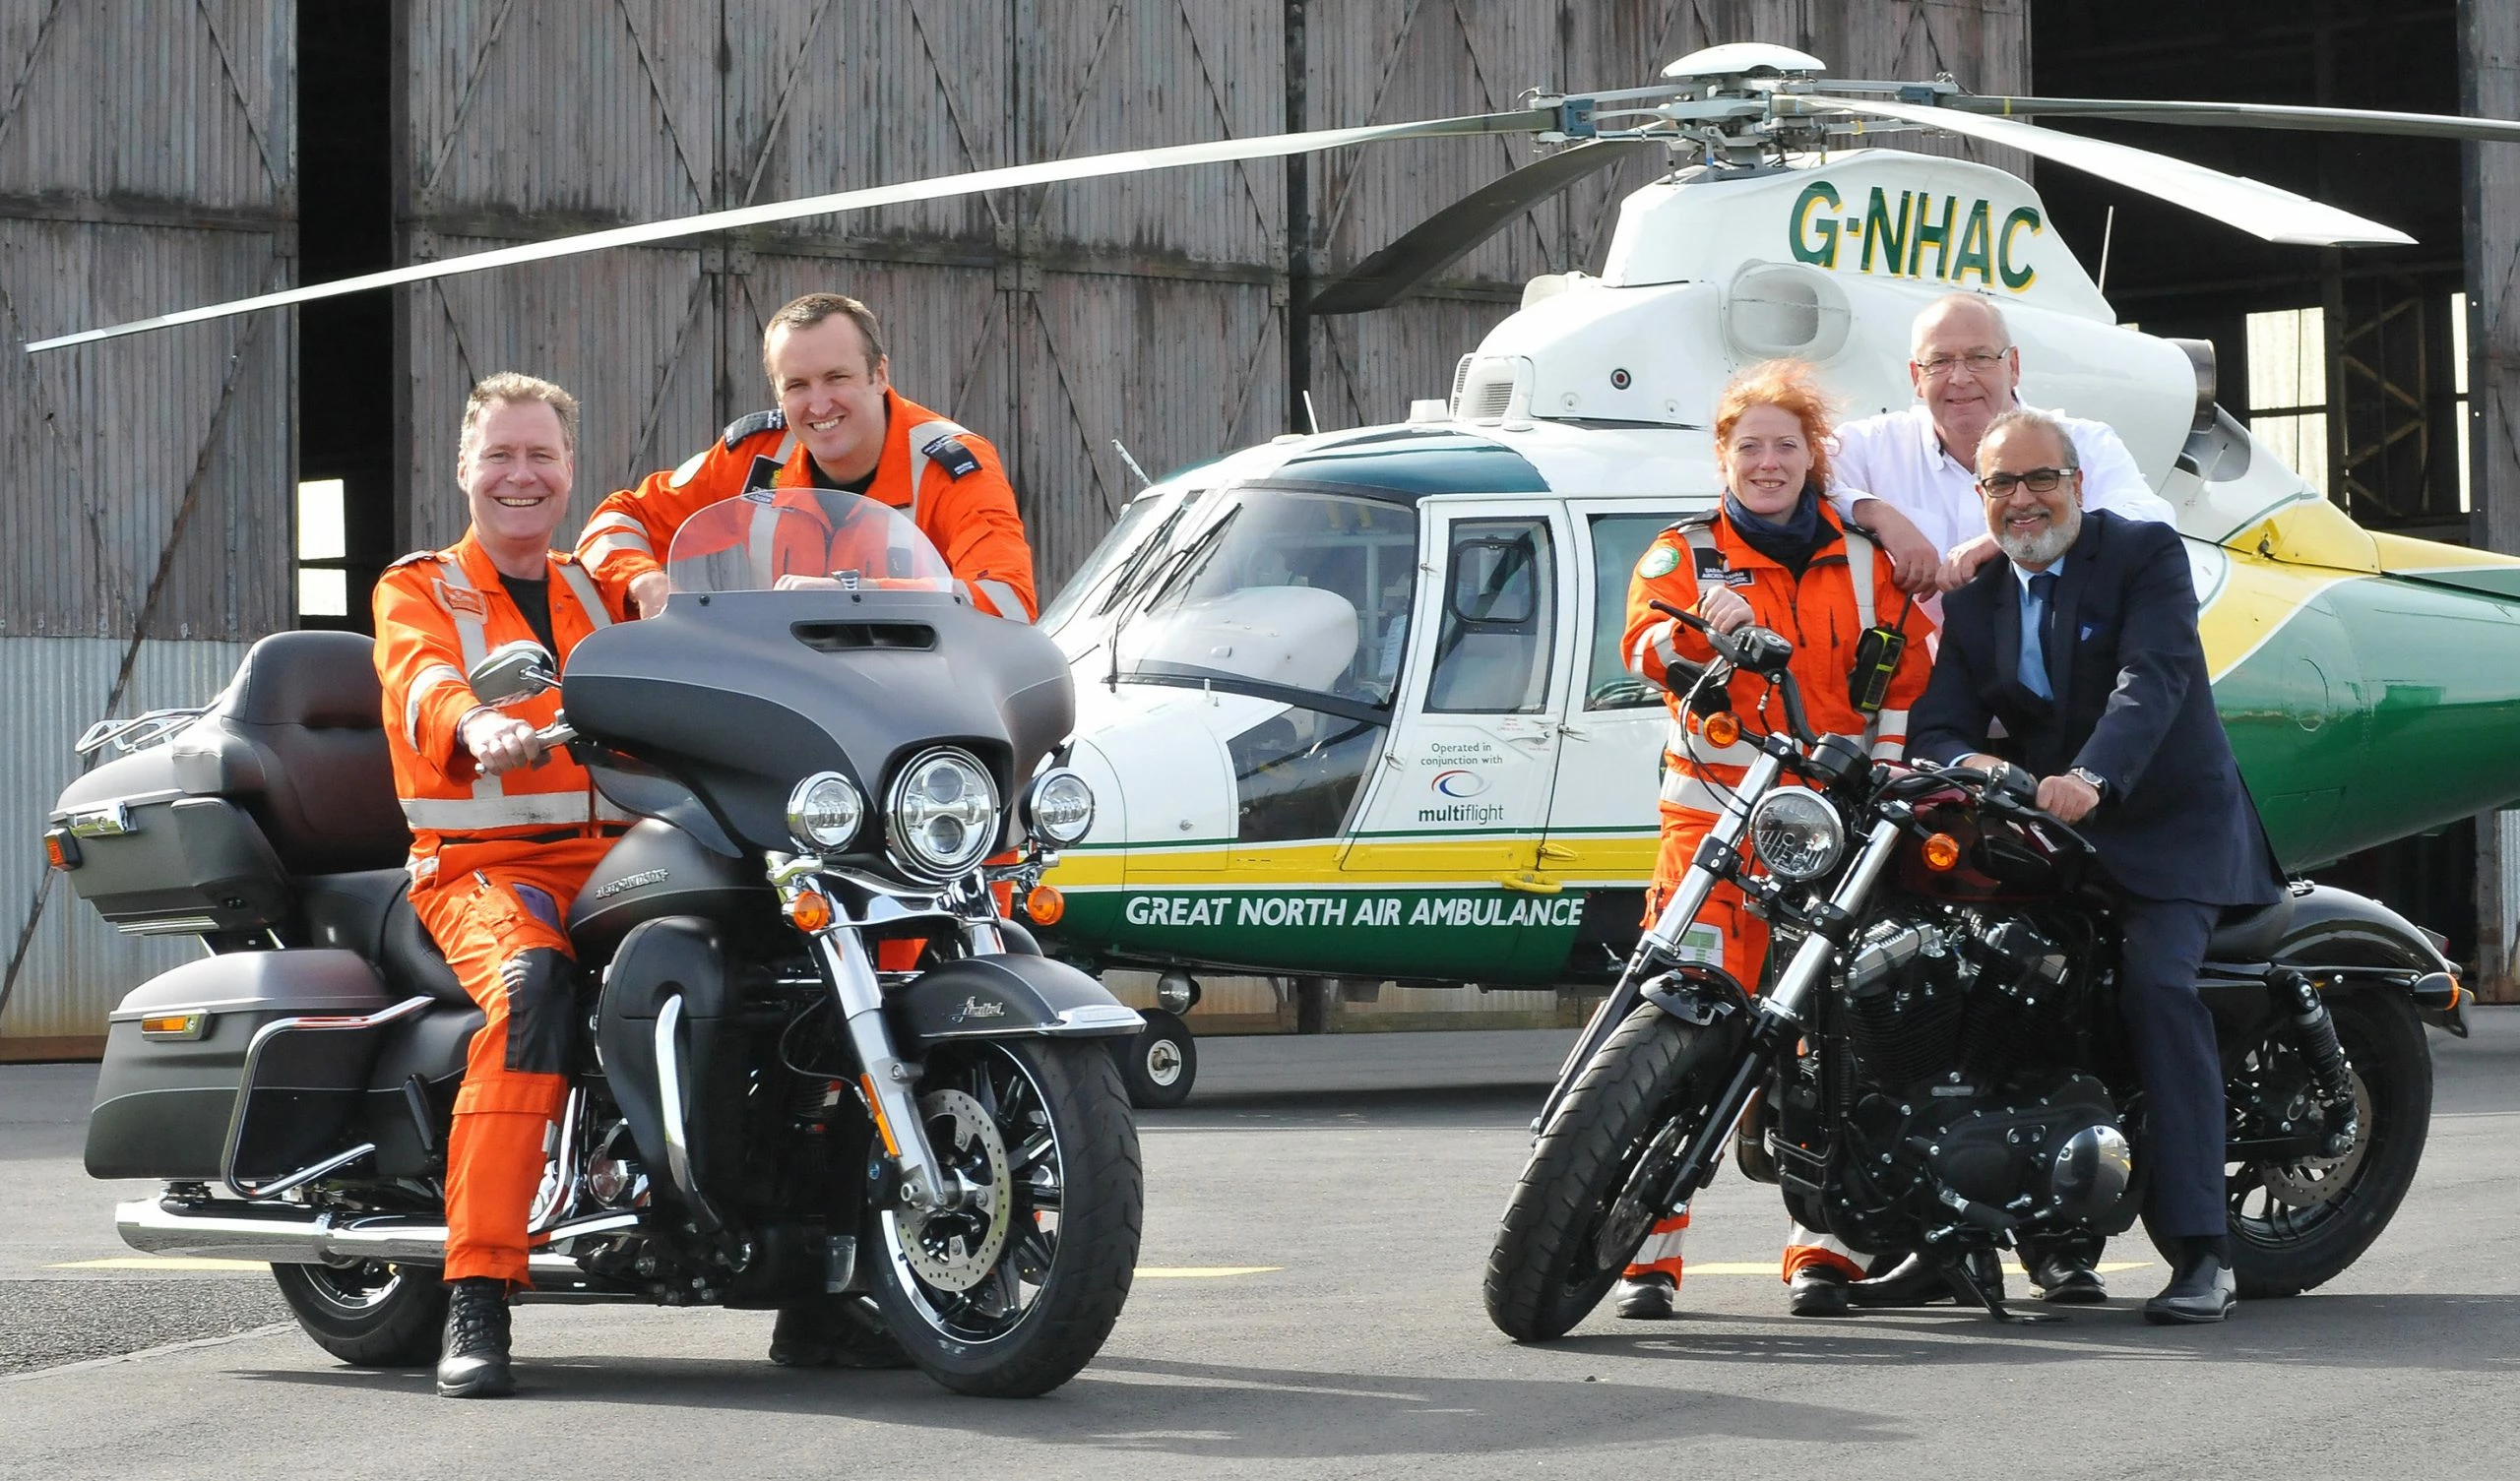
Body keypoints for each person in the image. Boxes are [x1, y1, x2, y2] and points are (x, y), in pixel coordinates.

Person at [1908, 407, 2284, 1326]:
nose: (2024, 499)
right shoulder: (1977, 600)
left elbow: (2152, 678)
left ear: (2077, 482)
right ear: (1982, 495)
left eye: (2042, 479)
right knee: (1974, 987)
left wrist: (2091, 775)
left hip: (2165, 829)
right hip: (2048, 839)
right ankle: (1988, 1235)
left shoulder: (2143, 554)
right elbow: (1940, 726)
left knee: (2157, 989)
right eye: (2003, 483)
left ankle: (2203, 1250)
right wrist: (1982, 767)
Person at [1617, 359, 1935, 1321]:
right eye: (1748, 444)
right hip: (1713, 831)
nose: (1766, 461)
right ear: (1723, 454)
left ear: (1812, 457)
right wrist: (1707, 633)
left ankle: (1824, 1247)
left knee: (1835, 1045)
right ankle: (1643, 1253)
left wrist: (1881, 798)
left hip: (1830, 834)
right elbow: (1642, 647)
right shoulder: (1683, 553)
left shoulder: (1866, 556)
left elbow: (1902, 678)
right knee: (1675, 1033)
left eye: (1784, 444)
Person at [372, 373, 634, 1396]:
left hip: (619, 858)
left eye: (541, 455)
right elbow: (422, 676)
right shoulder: (421, 586)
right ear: (464, 469)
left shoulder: (601, 586)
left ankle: (819, 1283)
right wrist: (477, 724)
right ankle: (477, 1286)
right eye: (500, 455)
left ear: (570, 470)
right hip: (486, 867)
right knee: (533, 990)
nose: (520, 474)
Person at [576, 292, 1036, 621]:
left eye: (836, 378)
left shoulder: (947, 465)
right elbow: (615, 521)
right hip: (782, 700)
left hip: (909, 701)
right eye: (796, 385)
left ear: (879, 374)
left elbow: (1008, 600)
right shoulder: (755, 456)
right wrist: (645, 582)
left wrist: (854, 596)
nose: (818, 406)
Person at [1833, 293, 2178, 593]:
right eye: (1939, 362)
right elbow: (1801, 475)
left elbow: (2149, 521)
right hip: (1921, 665)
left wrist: (2014, 538)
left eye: (1979, 357)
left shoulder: (2085, 443)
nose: (1960, 378)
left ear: (2012, 366)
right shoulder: (1876, 446)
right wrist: (1878, 514)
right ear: (1916, 378)